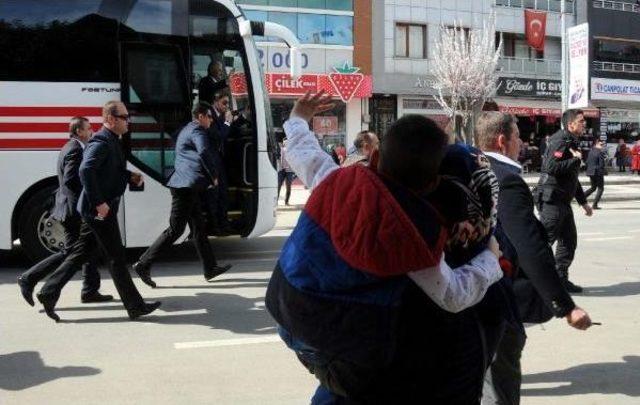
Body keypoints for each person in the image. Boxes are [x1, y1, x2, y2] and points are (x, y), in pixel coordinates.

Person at [266, 92, 504, 404]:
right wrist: (491, 260)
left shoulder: (341, 179)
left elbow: (306, 155)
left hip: (286, 310)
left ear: (375, 157)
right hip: (340, 347)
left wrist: (298, 118)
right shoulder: (414, 234)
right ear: (433, 184)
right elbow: (452, 294)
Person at [476, 112, 592, 405]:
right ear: (502, 141)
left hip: (470, 295)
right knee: (500, 384)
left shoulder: (472, 169)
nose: (522, 143)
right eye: (517, 136)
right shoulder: (508, 181)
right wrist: (565, 306)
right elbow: (530, 248)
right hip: (497, 300)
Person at [36, 101, 160, 322]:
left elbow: (108, 170)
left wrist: (129, 176)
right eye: (124, 117)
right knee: (116, 257)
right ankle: (135, 306)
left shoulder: (111, 140)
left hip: (97, 208)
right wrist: (99, 202)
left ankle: (48, 292)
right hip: (98, 210)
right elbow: (86, 170)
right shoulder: (102, 141)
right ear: (111, 119)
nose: (127, 121)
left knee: (80, 254)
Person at [133, 102, 232, 288]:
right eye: (210, 117)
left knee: (198, 229)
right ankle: (143, 263)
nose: (212, 120)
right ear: (201, 116)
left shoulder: (186, 129)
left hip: (186, 185)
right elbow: (203, 151)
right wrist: (214, 176)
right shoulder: (197, 131)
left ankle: (210, 268)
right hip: (185, 187)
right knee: (175, 230)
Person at [17, 117, 113, 306]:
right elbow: (70, 180)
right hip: (73, 210)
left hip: (69, 207)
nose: (92, 130)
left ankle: (90, 290)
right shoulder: (76, 150)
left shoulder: (70, 146)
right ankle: (29, 278)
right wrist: (86, 203)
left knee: (88, 248)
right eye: (88, 128)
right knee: (73, 252)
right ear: (79, 131)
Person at [536, 109, 593, 294]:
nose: (584, 124)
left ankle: (560, 279)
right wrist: (576, 161)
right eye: (581, 121)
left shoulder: (571, 141)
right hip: (552, 200)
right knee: (544, 242)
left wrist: (583, 202)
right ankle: (531, 281)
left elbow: (571, 179)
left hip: (563, 201)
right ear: (571, 125)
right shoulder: (560, 140)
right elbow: (550, 167)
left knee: (568, 241)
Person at [205, 92, 233, 233]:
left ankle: (223, 222)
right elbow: (218, 135)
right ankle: (214, 225)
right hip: (211, 160)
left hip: (219, 159)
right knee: (214, 194)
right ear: (215, 101)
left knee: (223, 192)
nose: (226, 106)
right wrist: (227, 122)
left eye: (227, 103)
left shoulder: (219, 115)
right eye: (224, 102)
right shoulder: (208, 114)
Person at [584, 139, 607, 210]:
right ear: (596, 144)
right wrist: (603, 171)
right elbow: (601, 165)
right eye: (601, 145)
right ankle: (595, 205)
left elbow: (587, 162)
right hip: (597, 172)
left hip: (590, 172)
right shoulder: (600, 153)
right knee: (600, 188)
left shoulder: (590, 151)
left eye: (603, 145)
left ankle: (581, 198)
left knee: (593, 187)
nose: (602, 146)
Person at [277, 140, 295, 205]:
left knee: (279, 186)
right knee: (288, 186)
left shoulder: (283, 149)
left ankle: (279, 201)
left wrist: (281, 167)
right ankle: (286, 202)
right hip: (287, 170)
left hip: (283, 170)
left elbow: (280, 159)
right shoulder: (291, 151)